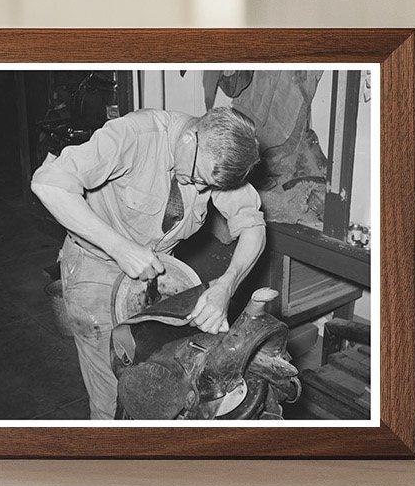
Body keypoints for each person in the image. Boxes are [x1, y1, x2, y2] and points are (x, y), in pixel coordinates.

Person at [31, 107, 267, 420]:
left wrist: (227, 283)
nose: (198, 190)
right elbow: (48, 184)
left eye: (208, 186)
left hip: (158, 274)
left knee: (157, 382)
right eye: (198, 178)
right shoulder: (136, 135)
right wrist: (119, 247)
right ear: (188, 138)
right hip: (96, 267)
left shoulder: (209, 158)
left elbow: (253, 226)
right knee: (112, 394)